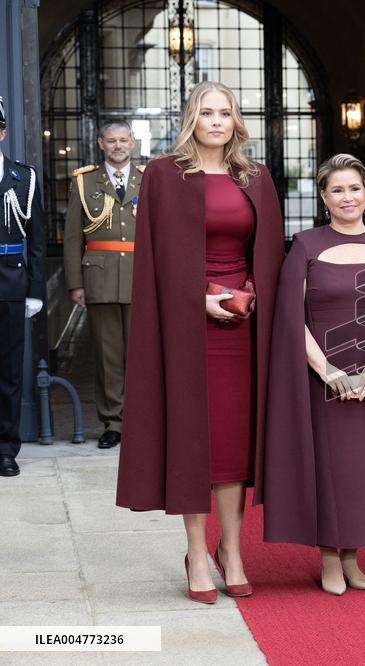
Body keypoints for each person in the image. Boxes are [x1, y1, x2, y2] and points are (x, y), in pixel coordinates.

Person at [115, 81, 285, 604]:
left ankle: (231, 550)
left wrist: (253, 292)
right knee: (196, 441)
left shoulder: (255, 177)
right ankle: (196, 552)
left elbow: (271, 251)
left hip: (244, 327)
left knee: (235, 444)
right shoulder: (165, 175)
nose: (216, 121)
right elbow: (156, 259)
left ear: (236, 121)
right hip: (187, 328)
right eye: (207, 112)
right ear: (192, 117)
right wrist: (197, 298)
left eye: (225, 113)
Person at [263, 154, 365, 595]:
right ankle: (330, 558)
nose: (347, 197)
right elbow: (288, 318)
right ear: (324, 197)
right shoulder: (304, 246)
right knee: (330, 468)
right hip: (323, 381)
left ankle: (354, 555)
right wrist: (330, 372)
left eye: (354, 188)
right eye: (337, 190)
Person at [63, 121, 144, 449]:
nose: (118, 146)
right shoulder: (84, 182)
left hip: (141, 278)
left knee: (141, 356)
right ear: (100, 144)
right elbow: (71, 238)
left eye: (123, 140)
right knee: (108, 356)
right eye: (111, 141)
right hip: (100, 279)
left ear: (133, 142)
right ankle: (114, 422)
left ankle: (141, 422)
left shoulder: (149, 178)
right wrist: (75, 283)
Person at [0, 95, 46, 478]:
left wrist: (35, 291)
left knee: (9, 372)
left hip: (11, 283)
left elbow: (37, 239)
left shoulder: (24, 178)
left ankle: (5, 448)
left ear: (2, 132)